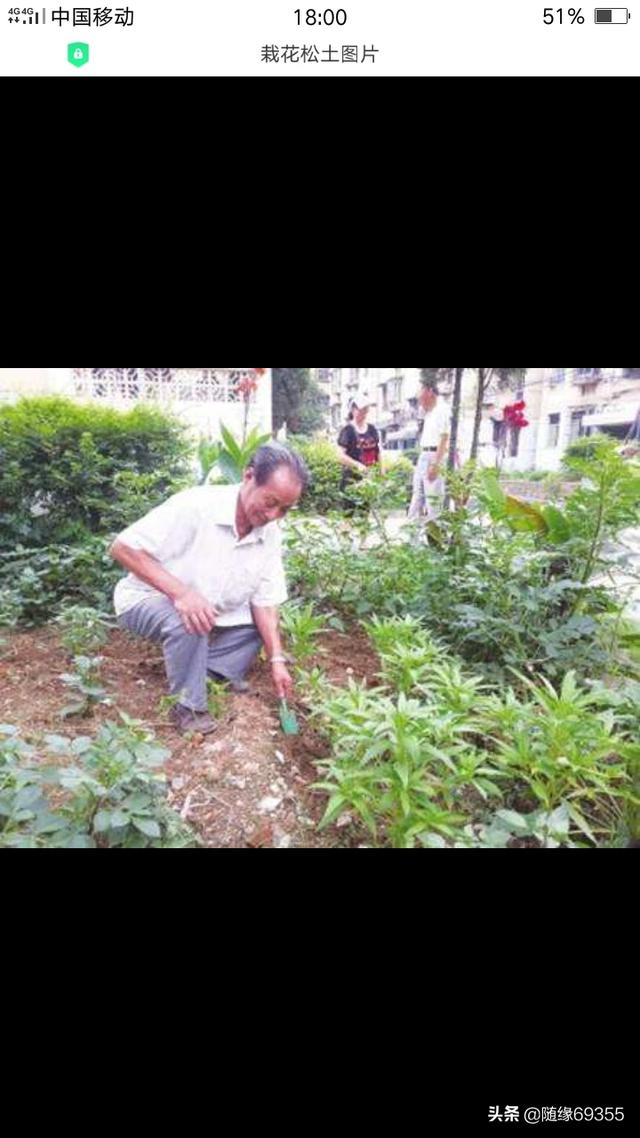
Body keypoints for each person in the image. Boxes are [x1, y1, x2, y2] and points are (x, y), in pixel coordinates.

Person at [109, 443, 309, 736]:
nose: (273, 515)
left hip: (207, 614)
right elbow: (122, 548)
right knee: (187, 620)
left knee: (260, 628)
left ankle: (204, 672)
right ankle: (188, 707)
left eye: (284, 510)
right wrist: (181, 594)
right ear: (249, 476)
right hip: (146, 600)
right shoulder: (195, 507)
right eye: (270, 502)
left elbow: (265, 603)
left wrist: (276, 659)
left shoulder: (270, 534)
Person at [408, 383, 450, 522]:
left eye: (420, 394)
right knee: (417, 497)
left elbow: (444, 438)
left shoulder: (443, 409)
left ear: (430, 391)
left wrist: (435, 464)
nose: (419, 399)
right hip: (424, 456)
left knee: (433, 502)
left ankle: (435, 540)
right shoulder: (429, 412)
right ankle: (411, 537)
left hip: (434, 456)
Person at [336, 394, 381, 514]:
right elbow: (340, 456)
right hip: (351, 480)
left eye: (365, 410)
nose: (363, 413)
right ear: (353, 410)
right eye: (361, 410)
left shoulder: (372, 429)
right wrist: (357, 465)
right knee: (348, 516)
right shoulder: (347, 431)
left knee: (364, 515)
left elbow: (377, 451)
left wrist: (381, 470)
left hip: (368, 478)